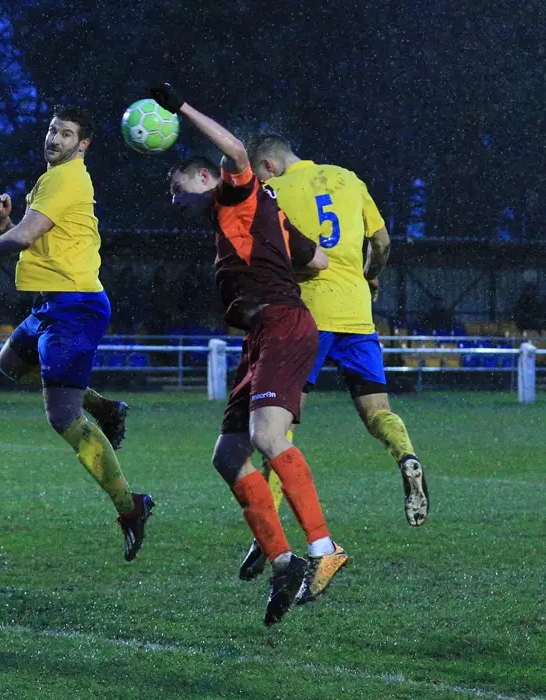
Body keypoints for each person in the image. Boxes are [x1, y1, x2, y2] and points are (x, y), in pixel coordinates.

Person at [152, 83, 344, 626]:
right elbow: (320, 262)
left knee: (267, 437)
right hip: (261, 334)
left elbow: (237, 153)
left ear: (205, 178)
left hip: (282, 324)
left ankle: (325, 549)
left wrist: (180, 107)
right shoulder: (263, 213)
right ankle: (283, 563)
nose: (175, 200)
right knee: (228, 455)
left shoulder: (234, 194)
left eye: (177, 187)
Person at [0, 106, 154, 561]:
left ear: (82, 144)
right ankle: (106, 407)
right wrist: (3, 227)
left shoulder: (66, 179)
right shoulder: (50, 181)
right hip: (52, 304)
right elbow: (34, 250)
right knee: (9, 363)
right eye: (52, 130)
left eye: (66, 133)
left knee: (62, 418)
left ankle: (131, 508)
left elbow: (26, 240)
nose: (54, 138)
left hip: (75, 308)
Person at [237, 134, 430, 578]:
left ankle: (263, 533)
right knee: (377, 410)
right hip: (357, 313)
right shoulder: (349, 179)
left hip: (306, 317)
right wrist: (368, 277)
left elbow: (272, 255)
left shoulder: (274, 192)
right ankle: (406, 458)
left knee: (276, 427)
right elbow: (380, 241)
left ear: (266, 165)